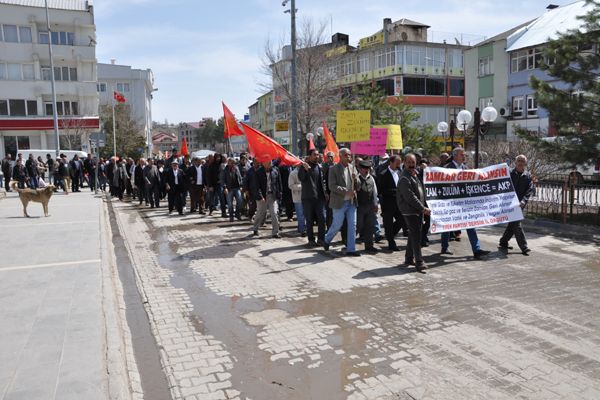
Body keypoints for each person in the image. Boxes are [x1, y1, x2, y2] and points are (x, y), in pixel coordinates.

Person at [440, 147, 491, 259]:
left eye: (464, 154)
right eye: (462, 154)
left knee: (470, 225)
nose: (464, 156)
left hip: (464, 203)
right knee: (448, 225)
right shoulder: (447, 168)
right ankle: (444, 246)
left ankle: (476, 250)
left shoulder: (466, 168)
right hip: (451, 202)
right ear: (455, 155)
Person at [323, 148, 360, 256]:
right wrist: (346, 191)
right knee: (337, 224)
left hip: (352, 202)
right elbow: (332, 186)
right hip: (339, 202)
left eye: (349, 155)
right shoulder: (333, 169)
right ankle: (327, 239)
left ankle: (351, 249)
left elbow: (358, 186)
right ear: (340, 156)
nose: (348, 157)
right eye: (346, 155)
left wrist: (356, 179)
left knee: (353, 225)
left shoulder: (353, 168)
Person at [397, 154, 430, 271]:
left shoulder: (414, 174)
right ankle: (419, 262)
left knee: (413, 234)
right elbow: (410, 197)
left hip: (417, 210)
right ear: (404, 163)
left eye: (413, 162)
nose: (411, 165)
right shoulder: (404, 178)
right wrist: (423, 208)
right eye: (409, 162)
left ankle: (409, 258)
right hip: (410, 211)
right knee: (416, 236)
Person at [499, 155, 534, 255]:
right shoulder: (509, 174)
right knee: (516, 224)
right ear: (515, 162)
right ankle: (524, 247)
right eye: (518, 160)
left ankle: (503, 241)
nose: (520, 163)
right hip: (508, 203)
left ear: (525, 163)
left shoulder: (527, 176)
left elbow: (529, 191)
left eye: (522, 161)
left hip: (519, 204)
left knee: (512, 224)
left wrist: (523, 201)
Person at [298, 149, 327, 246]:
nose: (317, 156)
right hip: (308, 199)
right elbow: (301, 178)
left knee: (322, 219)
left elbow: (322, 182)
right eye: (315, 155)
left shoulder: (319, 167)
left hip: (320, 199)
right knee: (309, 220)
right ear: (310, 156)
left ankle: (321, 239)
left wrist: (326, 194)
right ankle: (311, 240)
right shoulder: (304, 166)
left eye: (318, 155)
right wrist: (305, 170)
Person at [377, 155, 406, 251]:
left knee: (402, 220)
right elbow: (381, 190)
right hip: (388, 203)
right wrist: (396, 191)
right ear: (391, 162)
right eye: (397, 162)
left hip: (399, 203)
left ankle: (390, 234)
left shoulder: (400, 173)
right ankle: (391, 243)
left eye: (400, 162)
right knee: (388, 224)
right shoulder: (383, 174)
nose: (398, 164)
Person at [250, 159, 282, 238]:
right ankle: (255, 228)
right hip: (262, 197)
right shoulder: (258, 172)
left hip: (272, 195)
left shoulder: (276, 170)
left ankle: (275, 232)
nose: (270, 163)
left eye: (271, 162)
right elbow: (256, 186)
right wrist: (260, 196)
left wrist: (280, 194)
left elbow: (279, 183)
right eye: (268, 162)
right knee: (260, 213)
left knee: (274, 213)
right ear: (263, 163)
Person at [356, 159, 379, 253]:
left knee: (370, 226)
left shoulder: (371, 178)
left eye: (368, 168)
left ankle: (369, 246)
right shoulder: (356, 178)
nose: (366, 170)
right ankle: (349, 244)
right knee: (358, 225)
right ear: (360, 169)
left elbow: (374, 192)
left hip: (370, 206)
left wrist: (376, 204)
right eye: (364, 168)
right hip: (359, 207)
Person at [222, 157, 243, 221]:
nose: (231, 164)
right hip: (229, 189)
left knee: (240, 201)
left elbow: (239, 177)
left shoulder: (236, 168)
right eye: (230, 162)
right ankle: (231, 216)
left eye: (232, 163)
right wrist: (225, 187)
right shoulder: (225, 169)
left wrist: (241, 186)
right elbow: (223, 179)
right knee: (230, 203)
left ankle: (237, 213)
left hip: (237, 188)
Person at [288, 165, 306, 237]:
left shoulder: (306, 171)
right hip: (298, 197)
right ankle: (302, 230)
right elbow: (291, 185)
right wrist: (303, 186)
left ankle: (301, 227)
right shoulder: (293, 173)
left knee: (305, 214)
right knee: (300, 214)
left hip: (307, 196)